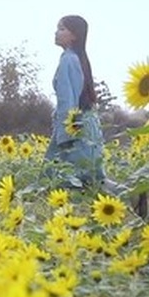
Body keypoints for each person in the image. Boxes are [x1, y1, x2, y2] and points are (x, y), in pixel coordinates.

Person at [44, 14, 106, 188]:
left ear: (74, 35)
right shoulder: (79, 59)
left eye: (62, 29)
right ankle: (128, 194)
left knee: (59, 178)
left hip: (74, 127)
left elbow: (67, 100)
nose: (56, 33)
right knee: (92, 178)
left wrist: (65, 136)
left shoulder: (68, 60)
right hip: (87, 125)